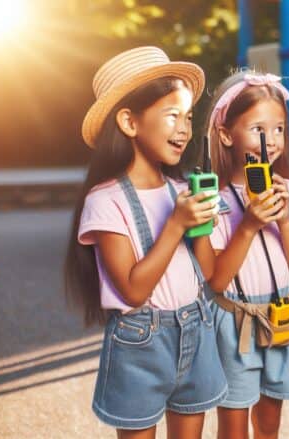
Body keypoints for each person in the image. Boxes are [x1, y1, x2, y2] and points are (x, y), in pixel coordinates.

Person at [65, 46, 227, 438]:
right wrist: (175, 225)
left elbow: (211, 273)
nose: (185, 129)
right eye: (172, 115)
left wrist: (203, 223)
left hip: (196, 325)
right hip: (139, 340)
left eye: (188, 117)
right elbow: (133, 290)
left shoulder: (182, 190)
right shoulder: (106, 201)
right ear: (129, 122)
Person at [204, 70, 289, 439]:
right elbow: (217, 280)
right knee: (234, 425)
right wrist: (249, 225)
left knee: (270, 420)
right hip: (235, 318)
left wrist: (284, 221)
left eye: (279, 129)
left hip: (283, 313)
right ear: (225, 135)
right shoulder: (214, 202)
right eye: (257, 129)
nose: (270, 141)